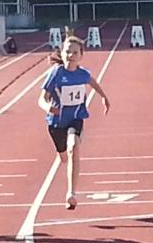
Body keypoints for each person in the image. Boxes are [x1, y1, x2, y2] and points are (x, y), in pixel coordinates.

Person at [38, 36, 110, 209]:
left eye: (75, 52)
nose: (71, 55)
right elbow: (41, 99)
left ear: (81, 56)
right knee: (63, 156)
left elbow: (93, 83)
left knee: (73, 147)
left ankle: (71, 193)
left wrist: (104, 97)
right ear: (62, 54)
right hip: (56, 123)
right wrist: (48, 107)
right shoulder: (56, 73)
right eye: (67, 52)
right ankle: (62, 153)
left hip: (75, 119)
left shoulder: (82, 73)